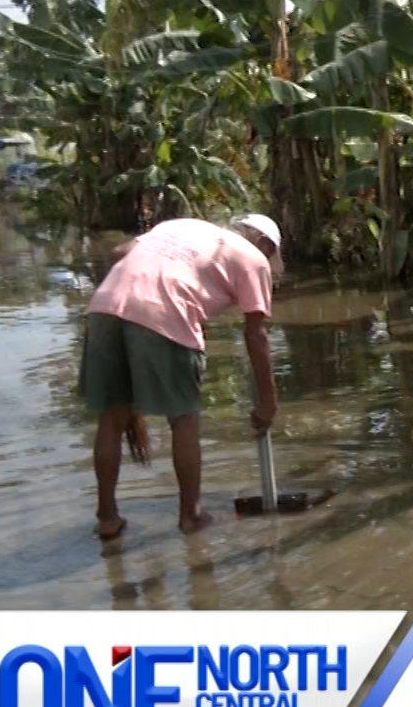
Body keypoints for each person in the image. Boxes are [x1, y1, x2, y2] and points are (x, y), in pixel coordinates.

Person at [78, 214, 283, 538]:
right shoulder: (254, 258)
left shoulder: (182, 226)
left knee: (112, 418)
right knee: (184, 419)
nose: (267, 260)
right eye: (270, 255)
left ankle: (107, 517)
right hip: (164, 312)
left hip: (105, 306)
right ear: (264, 244)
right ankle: (191, 516)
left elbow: (120, 253)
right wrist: (268, 401)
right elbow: (255, 335)